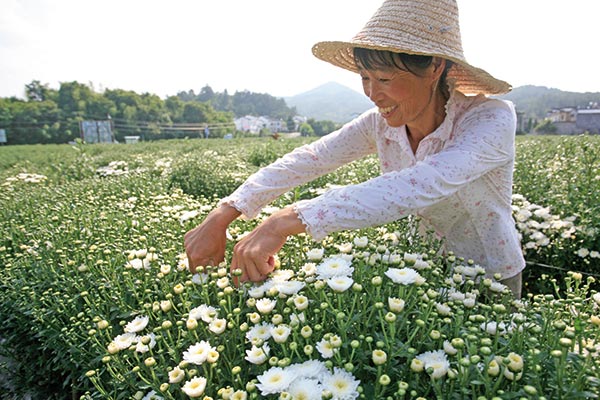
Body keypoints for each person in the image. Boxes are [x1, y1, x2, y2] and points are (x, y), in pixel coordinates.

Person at [184, 0, 525, 297]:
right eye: (365, 77)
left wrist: (284, 221)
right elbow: (310, 159)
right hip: (417, 270)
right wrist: (224, 213)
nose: (373, 94)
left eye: (386, 79)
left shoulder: (488, 119)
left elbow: (422, 184)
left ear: (435, 67)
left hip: (490, 278)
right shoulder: (379, 123)